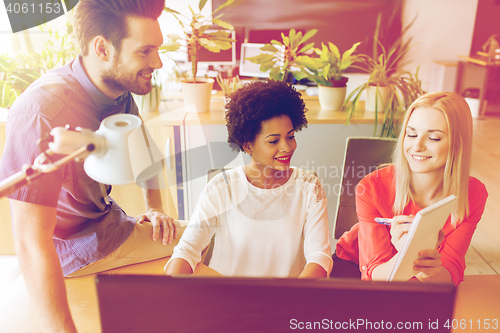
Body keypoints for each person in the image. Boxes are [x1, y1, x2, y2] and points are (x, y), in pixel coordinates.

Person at [0, 0, 181, 331]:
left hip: (109, 223)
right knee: (207, 238)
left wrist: (155, 207)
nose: (158, 62)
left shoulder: (116, 86)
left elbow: (146, 152)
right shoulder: (41, 113)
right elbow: (29, 241)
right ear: (102, 48)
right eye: (145, 51)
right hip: (79, 250)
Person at [165, 80, 333, 278]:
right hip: (227, 298)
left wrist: (290, 300)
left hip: (288, 299)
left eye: (290, 136)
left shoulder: (309, 187)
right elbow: (187, 250)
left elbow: (319, 258)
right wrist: (168, 293)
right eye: (273, 141)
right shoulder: (221, 188)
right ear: (247, 146)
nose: (287, 147)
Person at [333, 92, 488, 285]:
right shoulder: (370, 187)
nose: (417, 146)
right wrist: (407, 254)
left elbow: (450, 271)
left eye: (433, 138)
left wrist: (420, 264)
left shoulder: (473, 194)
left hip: (416, 278)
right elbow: (374, 276)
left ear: (458, 144)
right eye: (411, 134)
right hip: (355, 268)